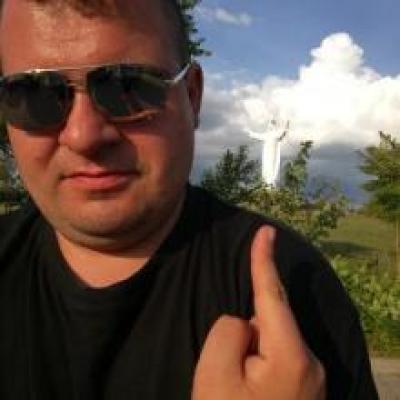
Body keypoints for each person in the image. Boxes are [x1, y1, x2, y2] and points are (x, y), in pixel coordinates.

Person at [0, 0, 378, 399]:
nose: (83, 136)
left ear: (192, 95)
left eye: (129, 86)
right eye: (33, 93)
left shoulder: (292, 283)